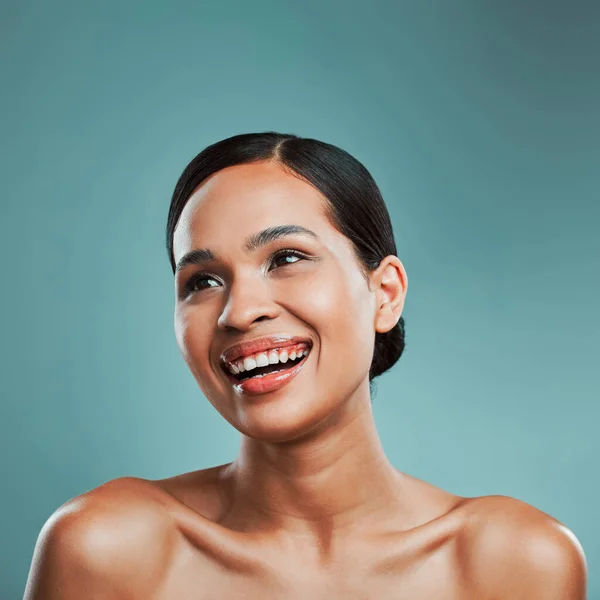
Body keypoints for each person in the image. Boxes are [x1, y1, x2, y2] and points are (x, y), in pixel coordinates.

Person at [25, 132, 587, 599]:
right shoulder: (106, 550)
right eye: (203, 281)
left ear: (385, 293)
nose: (240, 312)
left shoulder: (516, 564)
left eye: (286, 258)